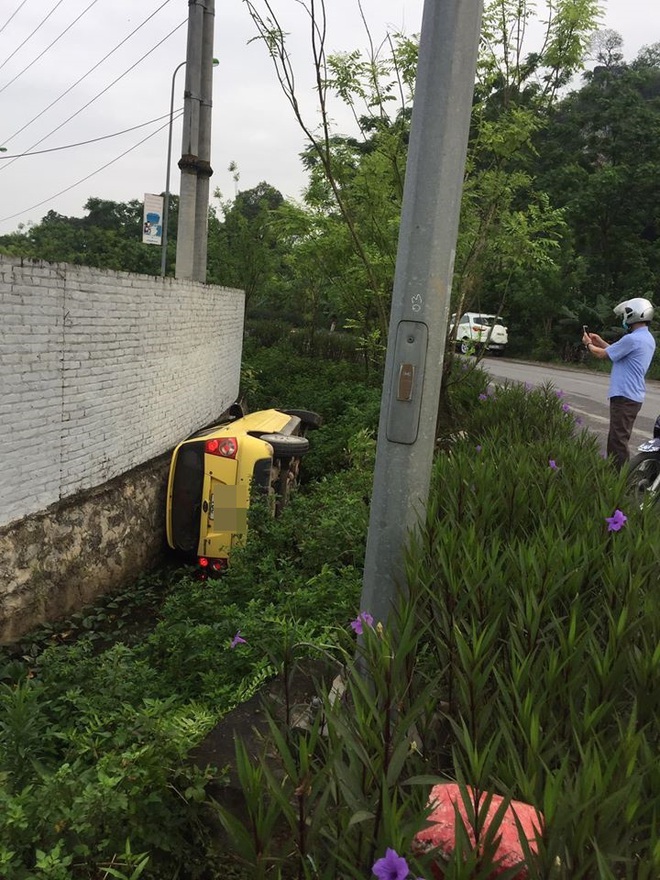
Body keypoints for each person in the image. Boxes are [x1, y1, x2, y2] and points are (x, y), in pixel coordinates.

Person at [582, 297, 656, 469]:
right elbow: (615, 352)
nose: (624, 319)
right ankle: (617, 475)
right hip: (633, 395)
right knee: (618, 437)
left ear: (633, 315)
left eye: (625, 315)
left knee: (618, 440)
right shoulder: (646, 338)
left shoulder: (632, 339)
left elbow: (601, 355)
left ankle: (618, 479)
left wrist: (588, 345)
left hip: (625, 395)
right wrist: (599, 341)